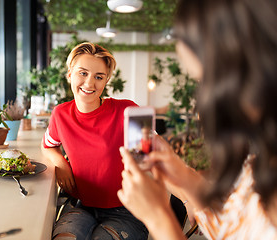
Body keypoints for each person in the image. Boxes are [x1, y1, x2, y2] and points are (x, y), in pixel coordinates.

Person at [117, 0, 277, 239]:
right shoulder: (261, 157)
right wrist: (185, 178)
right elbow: (237, 221)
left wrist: (158, 218)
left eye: (206, 80)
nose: (202, 99)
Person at [41, 42, 148, 239]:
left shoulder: (129, 110)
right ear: (69, 74)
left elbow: (155, 157)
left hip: (126, 210)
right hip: (81, 206)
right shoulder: (60, 114)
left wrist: (188, 200)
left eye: (99, 77)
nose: (90, 83)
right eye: (83, 73)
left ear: (106, 81)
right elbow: (48, 145)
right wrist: (61, 163)